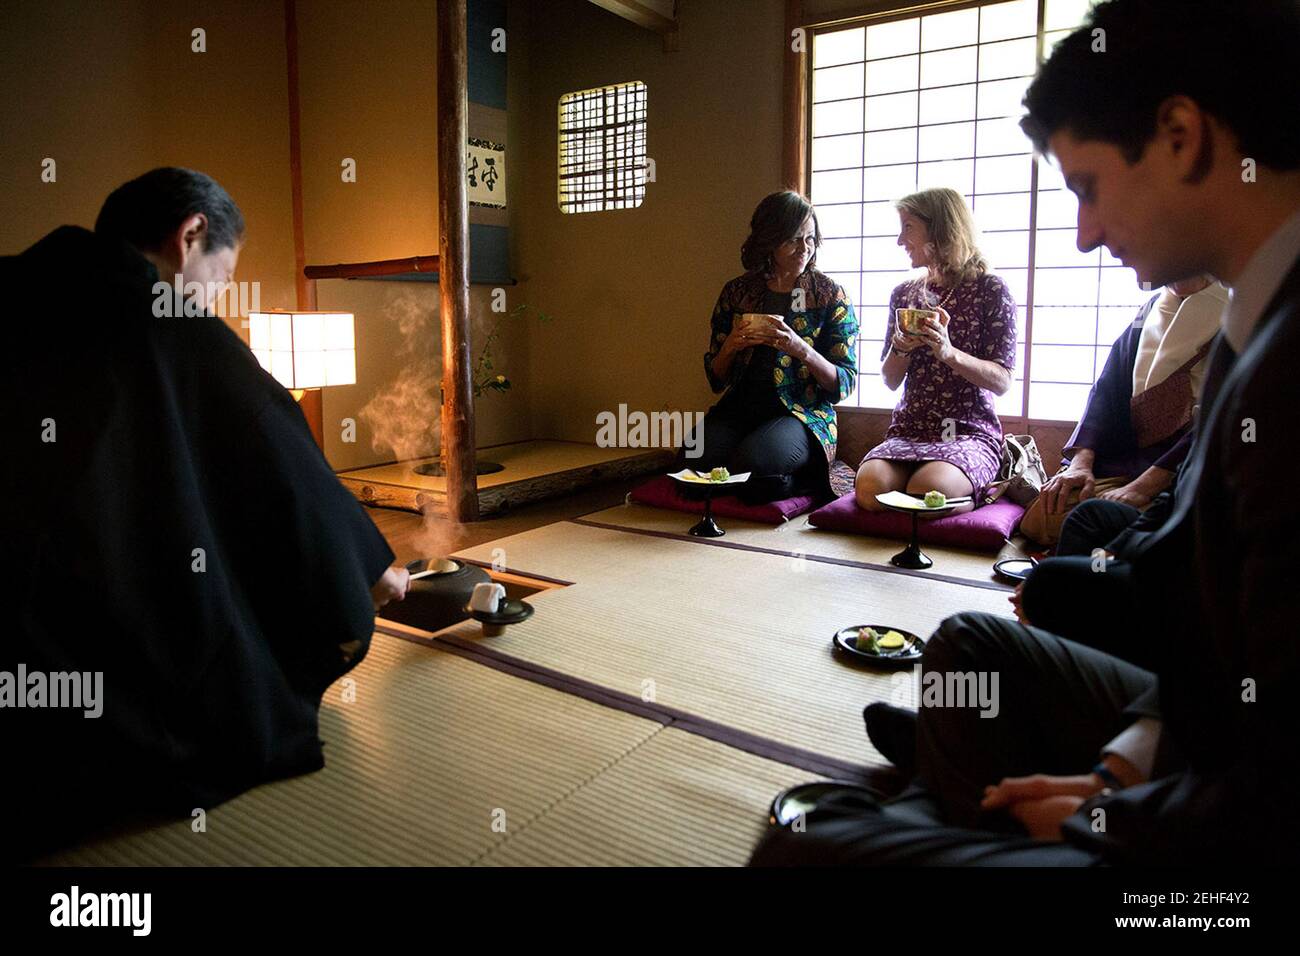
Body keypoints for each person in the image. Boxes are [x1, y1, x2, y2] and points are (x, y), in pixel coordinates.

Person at [752, 0, 1300, 866]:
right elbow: (1215, 647)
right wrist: (1125, 762)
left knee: (807, 848)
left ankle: (947, 789)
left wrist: (1112, 814)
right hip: (1194, 738)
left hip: (1222, 849)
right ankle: (957, 783)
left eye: (1087, 187)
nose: (1081, 233)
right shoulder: (1253, 318)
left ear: (1181, 136)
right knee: (971, 641)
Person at [0, 167, 410, 860]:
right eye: (220, 278)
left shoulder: (14, 286)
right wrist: (366, 567)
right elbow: (279, 464)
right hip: (96, 666)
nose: (214, 298)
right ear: (191, 234)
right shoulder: (165, 320)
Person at [1020, 274, 1226, 545]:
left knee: (1106, 524)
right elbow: (1108, 387)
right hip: (1125, 456)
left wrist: (1145, 486)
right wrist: (1081, 462)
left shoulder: (1233, 311)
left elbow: (1220, 419)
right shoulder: (1151, 307)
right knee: (1042, 518)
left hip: (1183, 467)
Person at [854, 188, 1017, 516]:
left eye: (908, 227)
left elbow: (1001, 381)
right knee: (870, 492)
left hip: (968, 431)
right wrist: (901, 347)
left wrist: (948, 352)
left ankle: (980, 493)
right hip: (910, 427)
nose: (901, 240)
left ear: (940, 229)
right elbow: (889, 380)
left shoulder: (990, 290)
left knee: (926, 493)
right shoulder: (905, 294)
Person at [689, 190, 858, 504]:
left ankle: (798, 477)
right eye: (793, 240)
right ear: (769, 241)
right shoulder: (738, 292)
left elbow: (844, 382)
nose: (803, 249)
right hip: (742, 406)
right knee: (691, 462)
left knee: (757, 468)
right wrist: (730, 347)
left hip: (800, 412)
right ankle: (755, 474)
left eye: (810, 239)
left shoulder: (829, 295)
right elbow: (716, 379)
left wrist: (800, 348)